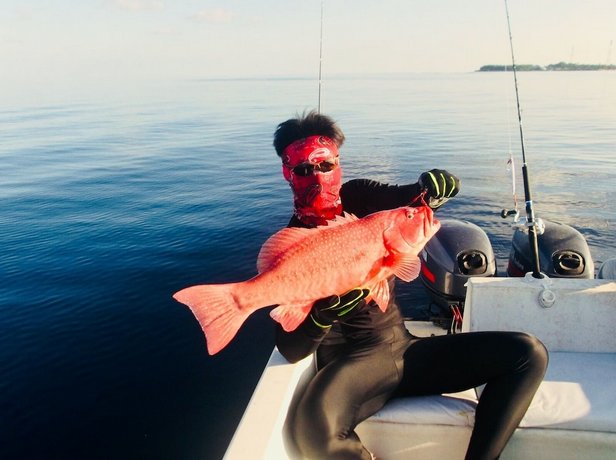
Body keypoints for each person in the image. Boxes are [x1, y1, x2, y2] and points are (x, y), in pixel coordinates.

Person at [273, 110, 548, 460]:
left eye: (325, 164)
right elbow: (291, 349)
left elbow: (412, 201)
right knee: (311, 430)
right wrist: (321, 316)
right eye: (303, 169)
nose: (317, 176)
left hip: (401, 349)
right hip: (349, 367)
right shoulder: (289, 246)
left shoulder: (360, 197)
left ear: (338, 163)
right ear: (287, 172)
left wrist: (433, 189)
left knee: (526, 353)